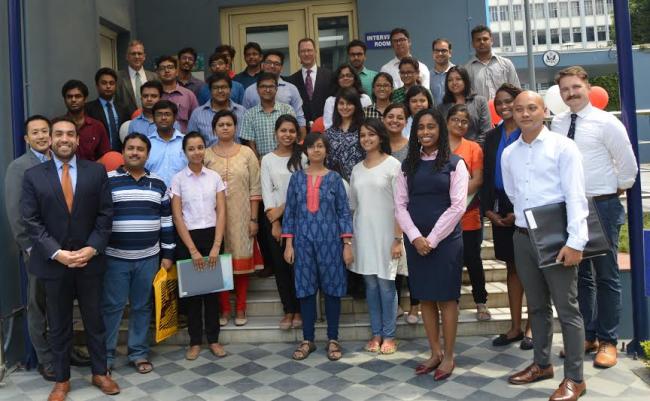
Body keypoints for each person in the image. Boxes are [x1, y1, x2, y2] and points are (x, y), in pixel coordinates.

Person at [22, 116, 119, 400]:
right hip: (54, 264)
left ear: (77, 140)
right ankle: (62, 380)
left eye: (69, 134)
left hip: (90, 261)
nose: (64, 139)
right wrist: (57, 253)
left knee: (94, 320)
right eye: (58, 134)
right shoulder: (33, 176)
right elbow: (31, 221)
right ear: (50, 140)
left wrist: (92, 248)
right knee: (58, 324)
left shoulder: (96, 172)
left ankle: (100, 372)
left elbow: (105, 215)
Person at [503, 91, 588, 401]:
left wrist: (575, 242)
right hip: (523, 237)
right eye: (519, 109)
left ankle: (575, 378)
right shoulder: (509, 153)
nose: (525, 114)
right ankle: (541, 364)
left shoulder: (563, 147)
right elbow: (513, 194)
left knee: (567, 310)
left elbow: (576, 196)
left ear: (544, 111)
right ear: (512, 113)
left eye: (531, 108)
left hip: (557, 240)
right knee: (537, 306)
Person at [551, 66, 638, 368]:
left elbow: (628, 167)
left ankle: (608, 341)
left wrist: (610, 190)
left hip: (601, 206)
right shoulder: (558, 123)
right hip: (571, 209)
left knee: (606, 275)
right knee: (581, 277)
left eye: (575, 87)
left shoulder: (606, 122)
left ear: (587, 87)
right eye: (565, 89)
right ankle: (586, 336)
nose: (571, 93)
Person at [394, 108, 468, 381]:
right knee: (424, 297)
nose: (425, 132)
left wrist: (433, 239)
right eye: (420, 127)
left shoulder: (455, 163)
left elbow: (458, 206)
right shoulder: (407, 165)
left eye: (431, 127)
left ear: (441, 130)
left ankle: (448, 356)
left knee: (447, 298)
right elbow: (400, 205)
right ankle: (435, 352)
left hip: (446, 242)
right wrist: (415, 237)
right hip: (416, 241)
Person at [103, 132, 175, 373]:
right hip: (115, 258)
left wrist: (168, 254)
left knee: (142, 307)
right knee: (112, 307)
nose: (135, 152)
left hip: (148, 258)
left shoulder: (159, 183)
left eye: (140, 149)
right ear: (123, 152)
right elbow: (100, 219)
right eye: (130, 148)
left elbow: (166, 221)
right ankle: (105, 356)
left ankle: (138, 353)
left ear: (147, 154)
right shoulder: (107, 181)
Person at [282, 133, 353, 361]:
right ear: (306, 151)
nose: (316, 150)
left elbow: (343, 212)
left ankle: (333, 338)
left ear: (326, 150)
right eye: (312, 146)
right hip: (302, 242)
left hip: (331, 242)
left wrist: (347, 244)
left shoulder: (335, 179)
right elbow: (290, 212)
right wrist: (289, 244)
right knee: (305, 289)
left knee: (332, 288)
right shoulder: (296, 179)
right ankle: (308, 339)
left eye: (320, 146)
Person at [482, 83, 533, 350]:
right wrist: (488, 210)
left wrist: (520, 211)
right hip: (500, 206)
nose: (503, 107)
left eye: (508, 101)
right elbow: (486, 175)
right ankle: (514, 327)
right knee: (512, 268)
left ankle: (532, 328)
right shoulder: (492, 136)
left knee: (533, 269)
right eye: (499, 103)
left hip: (528, 207)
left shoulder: (530, 133)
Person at [5, 115, 56, 381]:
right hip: (36, 249)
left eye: (45, 131)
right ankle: (45, 359)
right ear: (26, 138)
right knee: (38, 304)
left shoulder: (59, 161)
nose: (41, 136)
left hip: (62, 248)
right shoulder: (19, 167)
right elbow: (15, 211)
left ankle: (63, 351)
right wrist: (28, 247)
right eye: (35, 132)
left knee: (60, 302)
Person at [171, 132, 228, 360]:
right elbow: (177, 216)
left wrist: (216, 246)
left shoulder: (214, 177)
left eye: (200, 147)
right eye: (191, 148)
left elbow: (221, 212)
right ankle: (195, 341)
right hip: (188, 239)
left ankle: (213, 339)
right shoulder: (178, 179)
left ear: (205, 149)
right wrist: (192, 250)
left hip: (212, 236)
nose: (196, 152)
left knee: (212, 293)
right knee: (193, 295)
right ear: (185, 152)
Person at [204, 110, 263, 327]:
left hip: (242, 215)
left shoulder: (247, 153)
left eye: (229, 124)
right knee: (219, 261)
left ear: (235, 128)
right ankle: (224, 309)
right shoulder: (206, 155)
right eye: (221, 125)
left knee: (240, 258)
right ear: (214, 129)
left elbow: (255, 187)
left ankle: (240, 307)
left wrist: (254, 219)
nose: (225, 128)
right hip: (213, 217)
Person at [350, 118, 402, 355]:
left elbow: (401, 206)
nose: (366, 139)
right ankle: (376, 334)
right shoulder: (356, 169)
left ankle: (389, 335)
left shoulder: (393, 165)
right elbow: (354, 206)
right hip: (363, 236)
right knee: (370, 286)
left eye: (371, 134)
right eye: (362, 135)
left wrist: (398, 239)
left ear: (381, 137)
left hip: (388, 236)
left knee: (386, 284)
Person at [261, 115, 306, 330]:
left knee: (299, 266)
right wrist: (275, 221)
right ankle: (288, 310)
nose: (287, 135)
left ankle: (300, 310)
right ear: (275, 133)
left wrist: (283, 208)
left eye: (291, 131)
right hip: (275, 220)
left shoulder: (303, 158)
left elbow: (304, 190)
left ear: (297, 134)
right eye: (283, 131)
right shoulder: (267, 159)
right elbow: (267, 191)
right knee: (280, 267)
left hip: (301, 218)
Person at [446, 104, 490, 321]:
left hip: (468, 214)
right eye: (455, 119)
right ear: (447, 122)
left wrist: (455, 200)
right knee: (448, 261)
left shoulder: (473, 148)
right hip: (442, 218)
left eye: (464, 121)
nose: (459, 124)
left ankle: (481, 302)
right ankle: (450, 301)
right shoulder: (437, 147)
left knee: (473, 259)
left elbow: (478, 179)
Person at [382, 103, 416, 322]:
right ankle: (394, 305)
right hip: (386, 210)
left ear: (405, 121)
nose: (395, 120)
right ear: (383, 119)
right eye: (390, 116)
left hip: (410, 208)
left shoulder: (412, 146)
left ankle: (415, 306)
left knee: (411, 258)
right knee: (391, 259)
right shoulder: (378, 145)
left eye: (400, 117)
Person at [242, 51, 306, 133]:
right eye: (269, 62)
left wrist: (301, 140)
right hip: (259, 138)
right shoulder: (250, 90)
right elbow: (245, 119)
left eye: (276, 64)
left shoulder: (291, 89)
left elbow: (300, 118)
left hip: (286, 137)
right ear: (262, 65)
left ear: (281, 68)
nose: (272, 66)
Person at [239, 72, 297, 158]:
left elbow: (293, 136)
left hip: (287, 159)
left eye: (271, 86)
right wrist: (258, 161)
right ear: (257, 89)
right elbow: (250, 143)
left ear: (276, 89)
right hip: (261, 161)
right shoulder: (249, 114)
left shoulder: (287, 110)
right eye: (263, 86)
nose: (267, 90)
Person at [437, 66, 491, 146]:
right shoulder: (441, 108)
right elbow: (441, 134)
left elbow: (486, 131)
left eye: (458, 79)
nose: (454, 82)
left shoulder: (480, 102)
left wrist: (472, 149)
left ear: (465, 81)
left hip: (477, 149)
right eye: (450, 80)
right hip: (450, 150)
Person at [188, 72, 246, 146]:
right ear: (210, 90)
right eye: (215, 88)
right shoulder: (197, 114)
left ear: (230, 89)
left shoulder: (242, 111)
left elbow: (247, 141)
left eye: (224, 87)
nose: (220, 91)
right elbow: (191, 142)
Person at [287, 38, 335, 125]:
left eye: (309, 50)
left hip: (326, 127)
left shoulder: (330, 76)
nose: (306, 54)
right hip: (301, 128)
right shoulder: (291, 80)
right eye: (303, 51)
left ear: (315, 52)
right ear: (298, 54)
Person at [465, 25, 520, 100]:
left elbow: (516, 90)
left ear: (491, 41)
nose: (482, 42)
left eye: (485, 39)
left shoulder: (506, 64)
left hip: (504, 107)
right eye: (478, 40)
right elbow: (468, 97)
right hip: (481, 108)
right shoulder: (467, 69)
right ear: (472, 44)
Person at [61, 79, 110, 161]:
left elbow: (105, 156)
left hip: (92, 168)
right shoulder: (57, 126)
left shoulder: (97, 127)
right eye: (69, 97)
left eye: (78, 96)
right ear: (64, 100)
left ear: (85, 99)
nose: (73, 100)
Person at [324, 87, 366, 182]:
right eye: (341, 103)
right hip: (334, 183)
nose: (345, 107)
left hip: (359, 181)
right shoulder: (328, 133)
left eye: (349, 104)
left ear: (356, 106)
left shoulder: (364, 130)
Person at [85, 67, 131, 151]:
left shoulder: (124, 108)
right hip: (98, 154)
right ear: (97, 86)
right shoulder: (88, 109)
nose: (108, 86)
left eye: (111, 83)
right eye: (104, 83)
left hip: (121, 154)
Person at [144, 100, 187, 187]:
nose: (163, 118)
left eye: (167, 114)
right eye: (159, 114)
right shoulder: (146, 144)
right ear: (153, 118)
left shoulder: (186, 142)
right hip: (152, 191)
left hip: (182, 192)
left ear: (175, 117)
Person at [157, 55, 199, 133]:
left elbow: (197, 121)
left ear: (177, 72)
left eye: (170, 67)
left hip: (184, 138)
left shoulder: (188, 95)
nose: (166, 70)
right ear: (158, 73)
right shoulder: (154, 96)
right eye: (162, 68)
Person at [322, 64, 372, 129]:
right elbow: (328, 126)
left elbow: (369, 123)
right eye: (341, 76)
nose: (345, 78)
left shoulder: (364, 98)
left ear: (355, 78)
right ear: (337, 80)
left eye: (349, 75)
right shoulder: (330, 100)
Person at [116, 40, 158, 115]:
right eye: (133, 54)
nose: (137, 56)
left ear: (144, 57)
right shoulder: (117, 77)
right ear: (127, 57)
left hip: (152, 119)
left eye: (139, 53)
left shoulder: (154, 77)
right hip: (126, 120)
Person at [429, 38, 455, 106]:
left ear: (450, 53)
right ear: (433, 53)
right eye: (437, 51)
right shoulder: (428, 76)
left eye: (443, 51)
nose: (440, 54)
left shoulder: (458, 73)